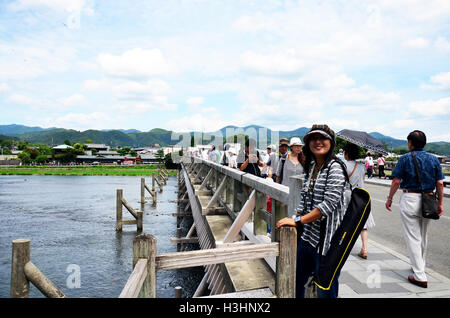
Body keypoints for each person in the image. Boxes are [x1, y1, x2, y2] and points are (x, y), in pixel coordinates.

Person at [276, 124, 349, 298]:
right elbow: (304, 198)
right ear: (307, 143)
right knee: (296, 279)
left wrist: (297, 221)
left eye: (322, 138)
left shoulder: (335, 167)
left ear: (331, 142)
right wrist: (296, 217)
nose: (318, 142)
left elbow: (328, 205)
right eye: (313, 138)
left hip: (328, 242)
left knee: (325, 289)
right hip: (308, 237)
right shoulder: (313, 167)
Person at [385, 130, 444, 288]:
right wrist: (440, 203)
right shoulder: (433, 159)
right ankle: (420, 266)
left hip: (410, 198)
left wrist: (390, 198)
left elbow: (396, 181)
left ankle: (419, 274)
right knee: (423, 235)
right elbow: (439, 183)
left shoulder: (405, 158)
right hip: (429, 198)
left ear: (410, 143)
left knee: (413, 237)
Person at [343, 143, 375, 259]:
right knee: (363, 224)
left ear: (346, 154)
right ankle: (364, 249)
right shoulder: (361, 166)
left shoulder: (344, 165)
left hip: (347, 195)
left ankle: (343, 245)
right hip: (361, 195)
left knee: (344, 221)